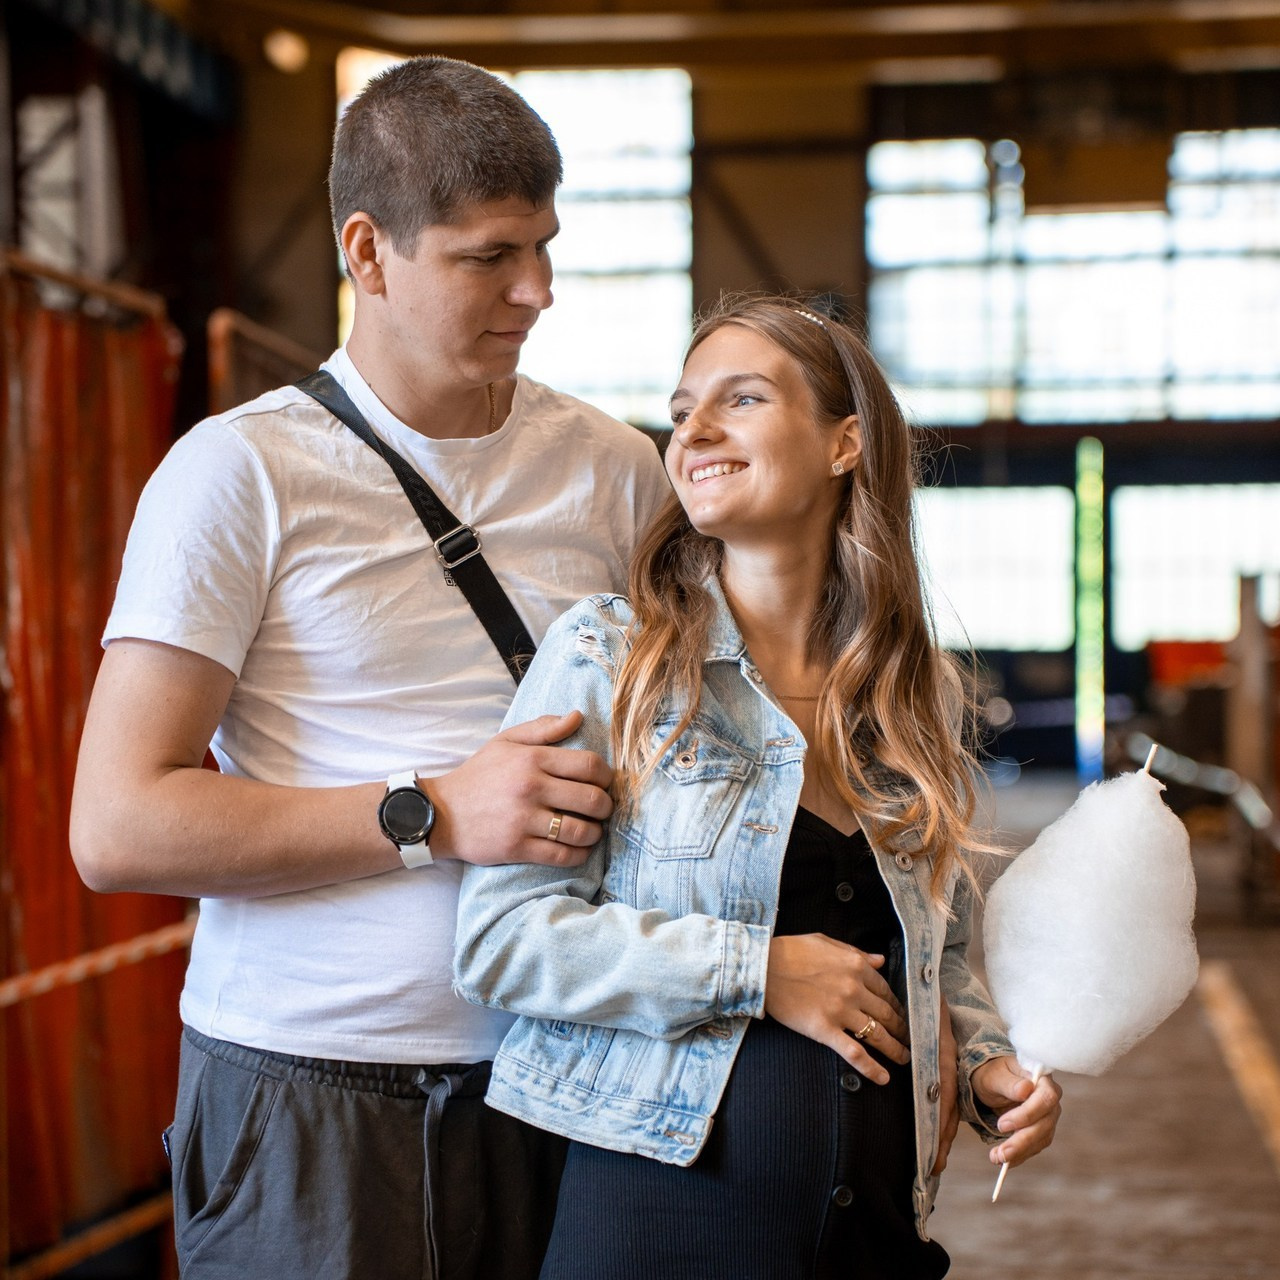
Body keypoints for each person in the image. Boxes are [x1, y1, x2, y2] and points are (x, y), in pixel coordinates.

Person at [69, 56, 670, 1280]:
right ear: (366, 250)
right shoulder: (236, 475)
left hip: (576, 1077)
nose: (536, 290)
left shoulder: (615, 470)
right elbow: (119, 823)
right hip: (310, 1092)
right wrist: (435, 810)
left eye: (544, 246)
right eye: (488, 256)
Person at [454, 295, 1063, 1279]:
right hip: (658, 1232)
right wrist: (755, 970)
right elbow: (502, 942)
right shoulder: (614, 659)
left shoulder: (902, 698)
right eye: (681, 406)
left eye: (739, 399)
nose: (691, 430)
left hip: (867, 1241)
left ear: (843, 443)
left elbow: (933, 956)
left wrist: (989, 1062)